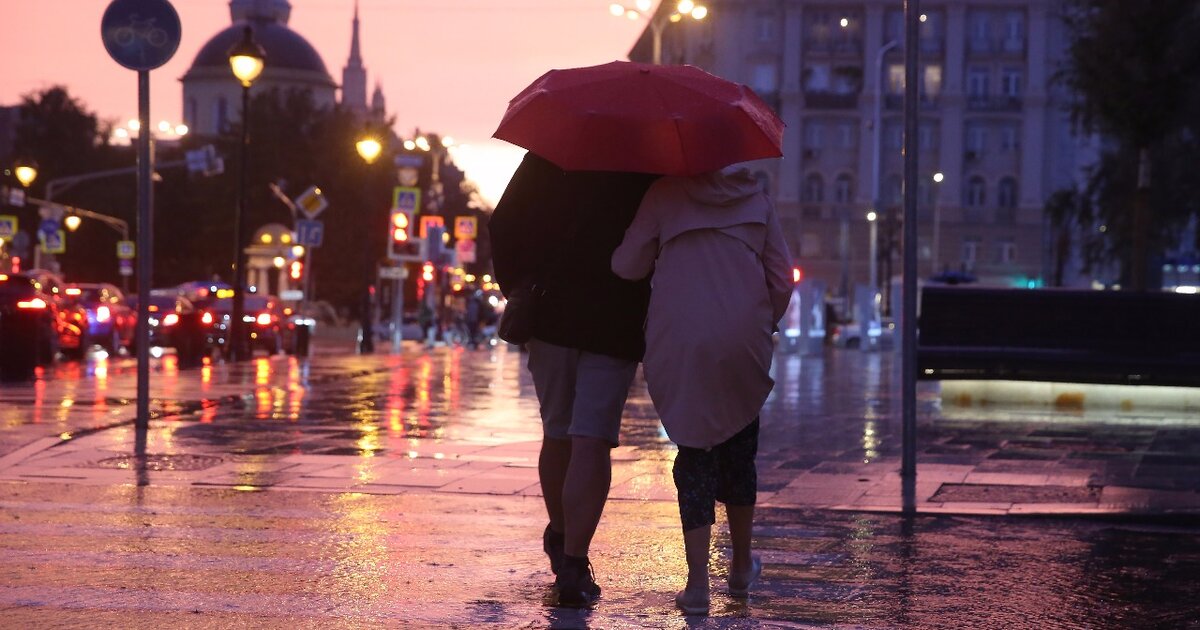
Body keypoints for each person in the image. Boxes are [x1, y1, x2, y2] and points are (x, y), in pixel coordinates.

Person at [611, 163, 792, 616]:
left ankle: (696, 586)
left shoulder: (663, 194)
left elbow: (626, 266)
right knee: (740, 447)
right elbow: (782, 278)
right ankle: (740, 566)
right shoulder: (757, 199)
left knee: (694, 451)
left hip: (680, 336)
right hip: (742, 337)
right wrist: (758, 321)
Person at [488, 152, 658, 607]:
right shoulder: (648, 166)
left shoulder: (550, 153)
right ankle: (575, 563)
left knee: (558, 434)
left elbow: (503, 224)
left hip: (551, 318)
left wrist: (521, 288)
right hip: (615, 323)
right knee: (592, 440)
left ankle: (562, 541)